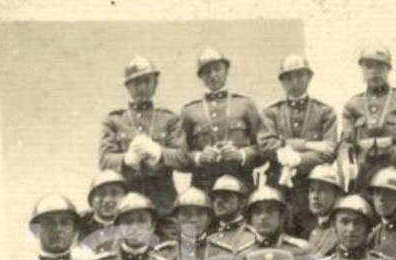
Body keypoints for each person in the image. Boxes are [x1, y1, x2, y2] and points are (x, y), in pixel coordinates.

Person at [99, 56, 190, 240]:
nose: (141, 87)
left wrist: (159, 153)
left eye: (147, 81)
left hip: (164, 206)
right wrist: (126, 159)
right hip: (127, 206)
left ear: (155, 84)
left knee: (170, 257)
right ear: (127, 86)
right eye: (136, 83)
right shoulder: (115, 120)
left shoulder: (169, 119)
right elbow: (104, 160)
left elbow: (182, 158)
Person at [258, 54, 338, 237]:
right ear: (282, 81)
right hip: (278, 184)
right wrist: (305, 146)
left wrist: (299, 159)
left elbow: (329, 150)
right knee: (276, 234)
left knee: (311, 236)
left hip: (311, 187)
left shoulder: (324, 112)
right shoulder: (272, 112)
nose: (294, 81)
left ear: (309, 77)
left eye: (299, 75)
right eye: (288, 77)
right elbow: (265, 144)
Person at [339, 45, 396, 192]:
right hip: (363, 178)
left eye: (380, 66)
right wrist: (345, 163)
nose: (374, 71)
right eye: (368, 66)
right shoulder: (353, 105)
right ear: (362, 70)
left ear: (388, 69)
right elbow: (345, 144)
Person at [180, 47, 263, 192]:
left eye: (217, 69)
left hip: (240, 184)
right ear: (200, 76)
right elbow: (179, 155)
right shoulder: (189, 111)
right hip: (203, 188)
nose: (213, 75)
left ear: (226, 71)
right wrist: (199, 157)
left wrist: (242, 155)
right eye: (207, 71)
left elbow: (262, 148)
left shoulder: (245, 104)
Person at [79, 170, 130, 254]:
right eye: (101, 193)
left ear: (125, 197)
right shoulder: (79, 224)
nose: (107, 200)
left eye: (114, 193)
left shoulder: (133, 225)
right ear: (91, 199)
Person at [304, 164, 345, 257]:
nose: (315, 196)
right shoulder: (311, 230)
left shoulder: (342, 233)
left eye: (322, 190)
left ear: (337, 195)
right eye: (312, 190)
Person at [207, 174, 254, 252]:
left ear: (242, 202)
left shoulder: (254, 236)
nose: (218, 201)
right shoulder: (209, 237)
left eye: (225, 196)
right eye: (215, 197)